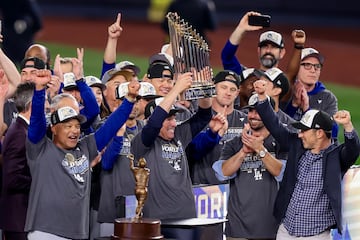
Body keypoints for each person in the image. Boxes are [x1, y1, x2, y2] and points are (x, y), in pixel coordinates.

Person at [24, 60, 140, 239]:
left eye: (77, 126)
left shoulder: (86, 147)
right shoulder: (40, 149)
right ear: (54, 129)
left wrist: (130, 100)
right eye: (67, 126)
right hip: (46, 232)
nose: (74, 131)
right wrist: (39, 91)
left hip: (78, 232)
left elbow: (111, 126)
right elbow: (37, 122)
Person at [253, 79, 360, 239]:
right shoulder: (297, 144)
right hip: (286, 231)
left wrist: (348, 126)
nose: (300, 134)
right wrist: (262, 97)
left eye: (304, 130)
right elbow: (275, 125)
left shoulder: (336, 156)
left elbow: (353, 150)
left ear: (319, 133)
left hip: (316, 236)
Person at [130, 71, 213, 239]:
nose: (174, 123)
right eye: (168, 118)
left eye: (174, 117)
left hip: (187, 218)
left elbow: (204, 116)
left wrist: (205, 89)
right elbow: (154, 124)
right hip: (158, 221)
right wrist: (176, 89)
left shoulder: (179, 135)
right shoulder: (142, 143)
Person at [212, 94, 285, 239]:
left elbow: (282, 173)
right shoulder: (234, 143)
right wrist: (243, 152)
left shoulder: (282, 142)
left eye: (259, 111)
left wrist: (260, 149)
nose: (253, 115)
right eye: (251, 111)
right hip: (238, 229)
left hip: (271, 229)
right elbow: (222, 173)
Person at [220, 11, 305, 106]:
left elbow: (291, 76)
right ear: (258, 51)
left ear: (282, 53)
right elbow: (227, 57)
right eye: (264, 46)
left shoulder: (280, 83)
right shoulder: (245, 76)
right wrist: (241, 28)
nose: (268, 50)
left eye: (273, 47)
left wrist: (298, 46)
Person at [187, 70, 247, 185]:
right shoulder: (199, 118)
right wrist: (213, 133)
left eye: (232, 89)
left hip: (236, 190)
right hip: (204, 188)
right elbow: (193, 153)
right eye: (223, 87)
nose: (228, 93)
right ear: (214, 88)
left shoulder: (246, 121)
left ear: (237, 93)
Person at [0, 82, 35, 240]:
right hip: (18, 218)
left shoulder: (21, 129)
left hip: (21, 217)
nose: (47, 105)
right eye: (43, 101)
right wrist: (39, 180)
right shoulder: (19, 134)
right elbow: (12, 179)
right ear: (32, 105)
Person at [285, 47, 338, 139]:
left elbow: (333, 133)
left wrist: (306, 109)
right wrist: (293, 106)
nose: (313, 70)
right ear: (296, 68)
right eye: (307, 65)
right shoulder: (286, 92)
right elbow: (279, 125)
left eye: (317, 66)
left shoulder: (328, 98)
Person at [0, 0, 43, 65]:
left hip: (8, 25)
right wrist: (38, 27)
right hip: (21, 23)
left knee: (8, 52)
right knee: (25, 50)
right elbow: (33, 11)